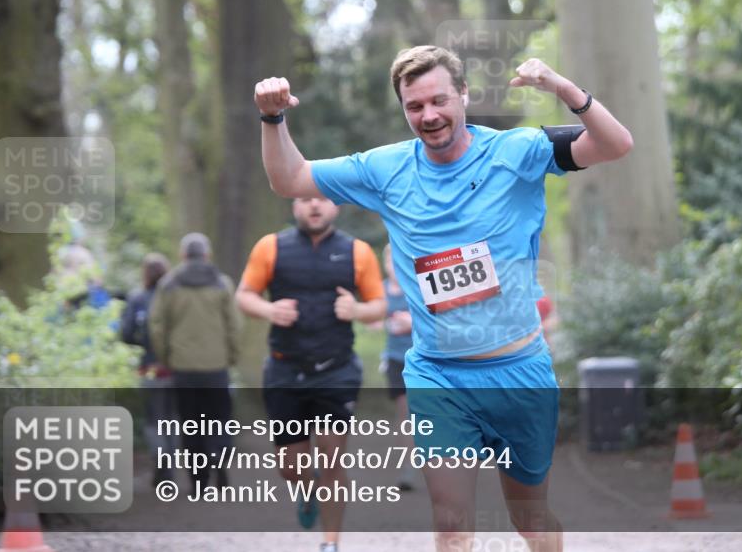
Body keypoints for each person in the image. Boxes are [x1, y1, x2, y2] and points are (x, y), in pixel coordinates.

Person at [254, 46, 633, 552]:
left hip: (519, 370)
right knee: (452, 524)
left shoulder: (517, 151)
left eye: (439, 101)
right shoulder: (384, 168)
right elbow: (289, 179)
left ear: (464, 96)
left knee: (531, 520)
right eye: (414, 107)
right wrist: (272, 117)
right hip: (439, 375)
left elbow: (616, 144)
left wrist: (562, 88)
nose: (428, 115)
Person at [235, 197, 386, 552]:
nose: (314, 206)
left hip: (337, 369)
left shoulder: (357, 251)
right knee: (290, 467)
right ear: (294, 207)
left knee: (333, 461)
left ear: (336, 207)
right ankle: (306, 488)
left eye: (322, 199)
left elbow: (379, 304)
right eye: (305, 200)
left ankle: (330, 543)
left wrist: (357, 310)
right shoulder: (271, 247)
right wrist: (269, 309)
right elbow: (244, 295)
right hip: (285, 367)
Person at [149, 233, 241, 492]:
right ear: (207, 255)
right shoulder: (222, 284)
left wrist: (167, 358)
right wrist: (231, 357)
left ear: (182, 255)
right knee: (220, 421)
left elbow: (157, 326)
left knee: (190, 425)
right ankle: (220, 465)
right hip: (216, 367)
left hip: (184, 367)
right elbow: (234, 325)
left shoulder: (168, 285)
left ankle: (198, 483)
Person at [119, 252, 175, 486]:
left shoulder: (137, 299)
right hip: (175, 368)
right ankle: (169, 465)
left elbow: (126, 333)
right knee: (172, 419)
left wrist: (142, 344)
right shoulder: (175, 299)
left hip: (149, 368)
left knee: (153, 419)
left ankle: (159, 456)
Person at [367, 243, 417, 491]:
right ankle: (407, 467)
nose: (393, 267)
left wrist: (412, 323)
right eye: (389, 262)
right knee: (404, 412)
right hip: (396, 359)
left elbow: (438, 319)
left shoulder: (416, 288)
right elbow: (371, 318)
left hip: (421, 358)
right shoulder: (381, 291)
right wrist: (379, 322)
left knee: (423, 412)